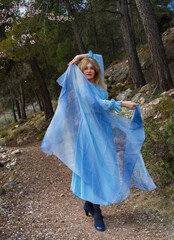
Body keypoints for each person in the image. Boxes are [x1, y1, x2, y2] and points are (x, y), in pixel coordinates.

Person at [41, 50, 156, 232]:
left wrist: (85, 56)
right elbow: (98, 104)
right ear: (81, 70)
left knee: (103, 167)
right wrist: (122, 103)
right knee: (93, 168)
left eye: (91, 68)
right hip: (89, 133)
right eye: (85, 68)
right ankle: (97, 211)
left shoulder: (99, 85)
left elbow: (99, 60)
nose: (88, 70)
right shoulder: (81, 86)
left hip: (103, 130)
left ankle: (88, 203)